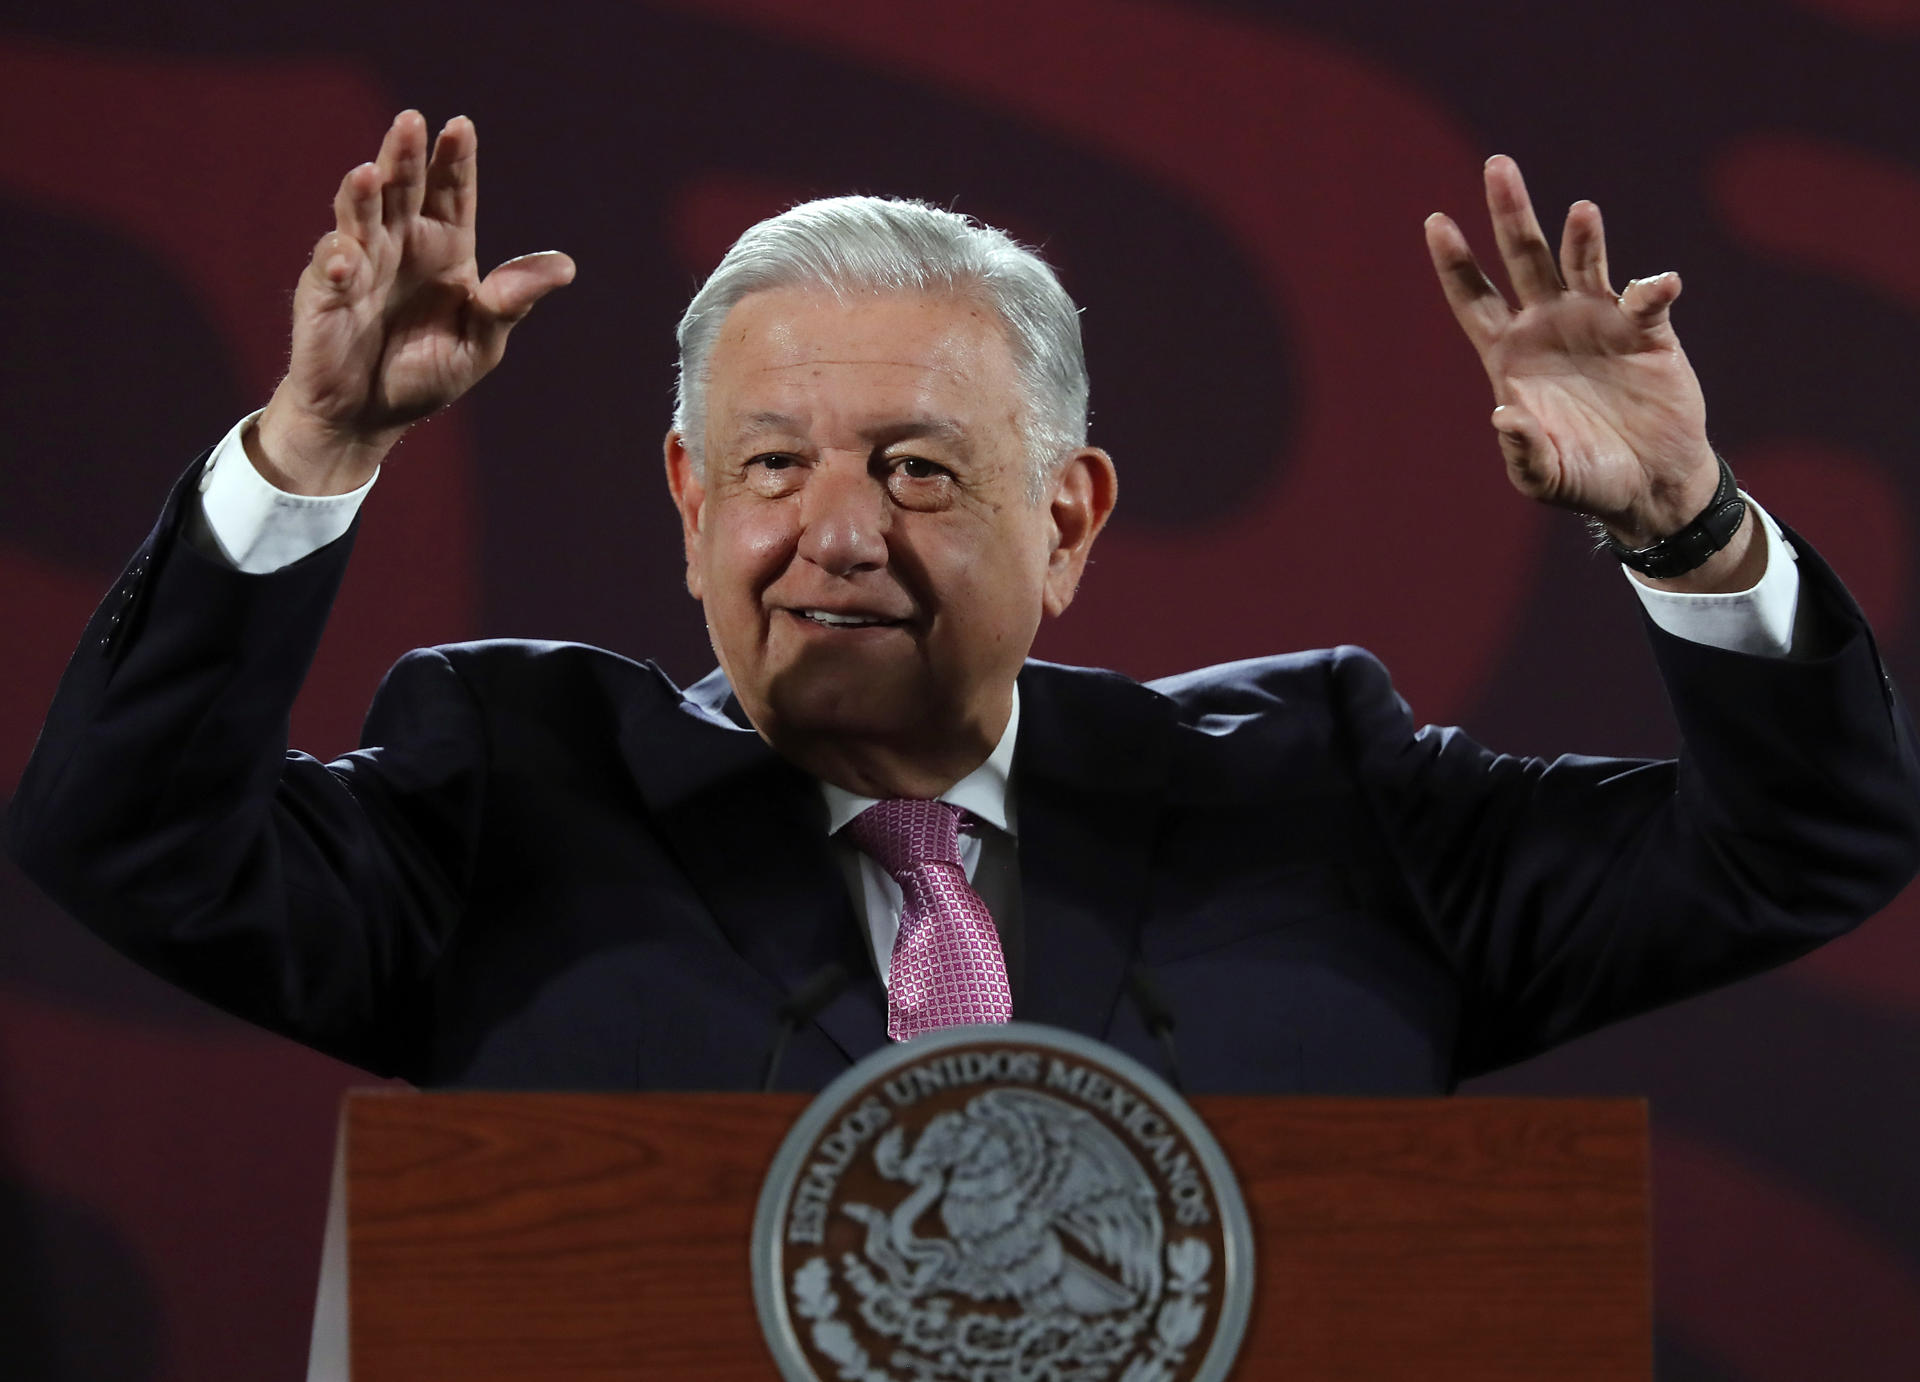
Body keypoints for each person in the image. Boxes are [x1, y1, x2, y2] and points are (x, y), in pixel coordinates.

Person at [9, 111, 1917, 1093]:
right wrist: (310, 445)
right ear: (689, 506)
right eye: (771, 467)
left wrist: (1689, 531)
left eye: (918, 469)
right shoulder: (502, 790)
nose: (837, 531)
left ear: (1071, 518)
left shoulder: (1326, 794)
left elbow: (1798, 851)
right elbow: (130, 838)